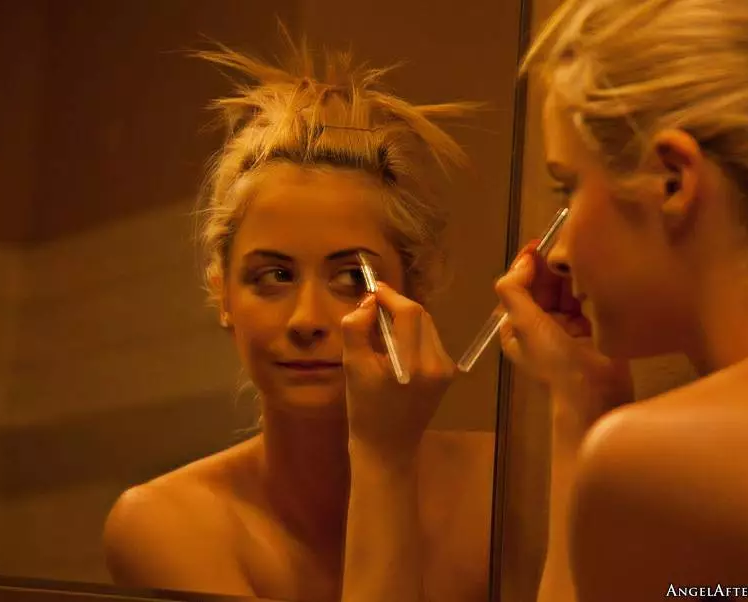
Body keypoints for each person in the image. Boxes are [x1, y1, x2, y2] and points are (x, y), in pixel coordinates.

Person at [339, 0, 748, 600]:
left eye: (569, 186)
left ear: (671, 181)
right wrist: (584, 397)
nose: (557, 255)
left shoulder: (665, 466)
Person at [102, 33, 495, 602]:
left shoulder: (501, 488)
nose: (308, 320)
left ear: (418, 290)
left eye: (351, 279)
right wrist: (383, 460)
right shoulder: (166, 524)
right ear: (222, 295)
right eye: (274, 276)